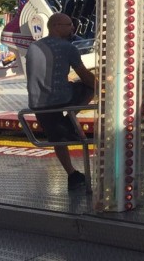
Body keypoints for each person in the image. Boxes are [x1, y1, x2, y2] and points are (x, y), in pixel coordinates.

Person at [25, 13, 96, 192]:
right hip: (58, 99)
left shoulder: (34, 46)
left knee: (57, 137)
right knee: (88, 87)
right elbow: (86, 77)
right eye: (69, 25)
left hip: (37, 102)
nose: (73, 29)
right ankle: (69, 120)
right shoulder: (67, 47)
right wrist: (105, 89)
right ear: (56, 26)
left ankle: (72, 174)